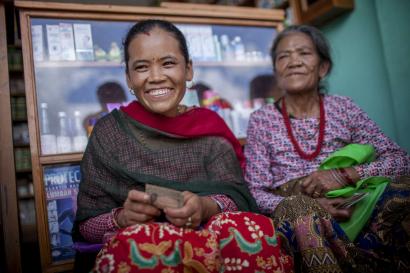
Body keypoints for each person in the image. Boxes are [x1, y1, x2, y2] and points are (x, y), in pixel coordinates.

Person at [73, 19, 294, 273]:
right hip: (140, 246)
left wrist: (204, 207)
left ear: (188, 70)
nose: (155, 77)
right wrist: (122, 217)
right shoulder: (110, 132)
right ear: (129, 78)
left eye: (168, 63)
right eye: (142, 67)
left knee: (253, 231)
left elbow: (237, 197)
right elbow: (87, 225)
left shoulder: (209, 126)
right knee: (139, 242)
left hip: (212, 241)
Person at [244, 24, 410, 273]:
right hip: (295, 206)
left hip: (351, 202)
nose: (293, 62)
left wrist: (345, 175)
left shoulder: (343, 108)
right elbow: (255, 191)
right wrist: (311, 205)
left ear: (323, 67)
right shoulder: (261, 120)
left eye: (304, 53)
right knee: (301, 210)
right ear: (276, 71)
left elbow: (400, 160)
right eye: (283, 56)